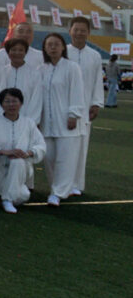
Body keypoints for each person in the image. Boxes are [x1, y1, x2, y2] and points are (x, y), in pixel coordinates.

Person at [38, 32, 84, 206]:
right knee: (49, 158)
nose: (53, 47)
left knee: (65, 159)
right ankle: (55, 187)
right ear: (45, 48)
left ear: (63, 47)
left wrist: (74, 114)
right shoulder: (42, 69)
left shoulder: (72, 67)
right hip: (47, 123)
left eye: (56, 44)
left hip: (66, 122)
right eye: (49, 44)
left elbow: (77, 92)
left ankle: (58, 193)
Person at [0, 88, 46, 213]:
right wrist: (5, 152)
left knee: (18, 162)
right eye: (7, 102)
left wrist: (28, 153)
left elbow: (41, 145)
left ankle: (7, 199)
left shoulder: (29, 123)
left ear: (21, 103)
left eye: (14, 101)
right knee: (23, 195)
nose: (11, 105)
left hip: (20, 171)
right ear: (1, 104)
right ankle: (7, 195)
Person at [67, 16, 104, 196]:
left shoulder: (95, 55)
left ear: (88, 33)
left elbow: (98, 81)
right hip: (64, 108)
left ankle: (76, 185)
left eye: (83, 30)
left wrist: (96, 103)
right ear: (70, 31)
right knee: (63, 149)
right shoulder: (63, 52)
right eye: (76, 29)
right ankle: (60, 183)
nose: (79, 33)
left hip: (85, 110)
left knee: (81, 148)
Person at [0, 38, 43, 122]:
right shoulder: (2, 72)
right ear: (8, 53)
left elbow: (36, 99)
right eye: (13, 50)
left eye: (21, 50)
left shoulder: (35, 74)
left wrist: (31, 121)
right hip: (4, 120)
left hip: (27, 121)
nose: (17, 53)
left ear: (25, 52)